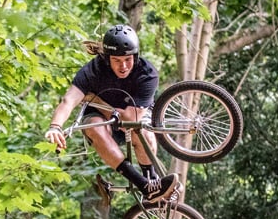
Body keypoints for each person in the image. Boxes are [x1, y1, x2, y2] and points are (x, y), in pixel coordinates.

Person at [44, 24, 181, 203]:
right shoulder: (92, 71)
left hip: (133, 114)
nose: (123, 66)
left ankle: (151, 178)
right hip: (100, 119)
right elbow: (68, 101)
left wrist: (97, 101)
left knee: (141, 130)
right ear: (107, 59)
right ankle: (143, 185)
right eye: (116, 60)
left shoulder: (147, 73)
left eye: (128, 59)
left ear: (135, 56)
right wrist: (55, 127)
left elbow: (130, 120)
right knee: (94, 128)